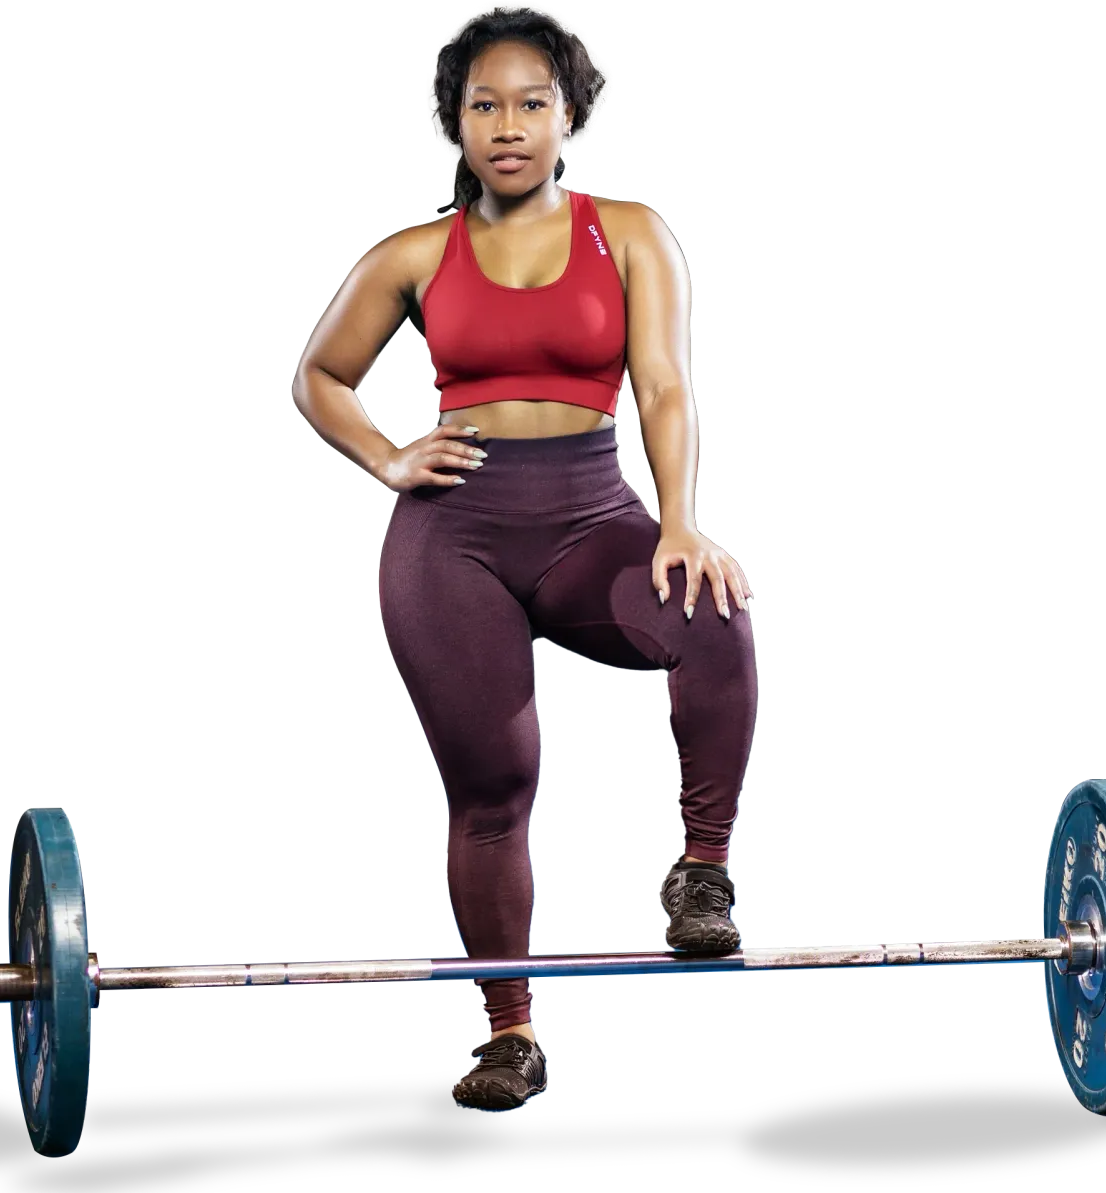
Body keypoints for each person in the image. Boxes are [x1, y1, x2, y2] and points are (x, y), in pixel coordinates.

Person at [290, 6, 757, 1113]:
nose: (507, 126)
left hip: (593, 511)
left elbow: (662, 388)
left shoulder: (630, 231)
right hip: (455, 532)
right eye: (483, 104)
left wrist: (679, 521)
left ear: (568, 114)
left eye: (531, 103)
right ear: (453, 123)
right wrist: (389, 459)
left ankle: (700, 873)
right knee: (494, 781)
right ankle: (508, 1030)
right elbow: (319, 374)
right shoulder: (410, 255)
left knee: (711, 610)